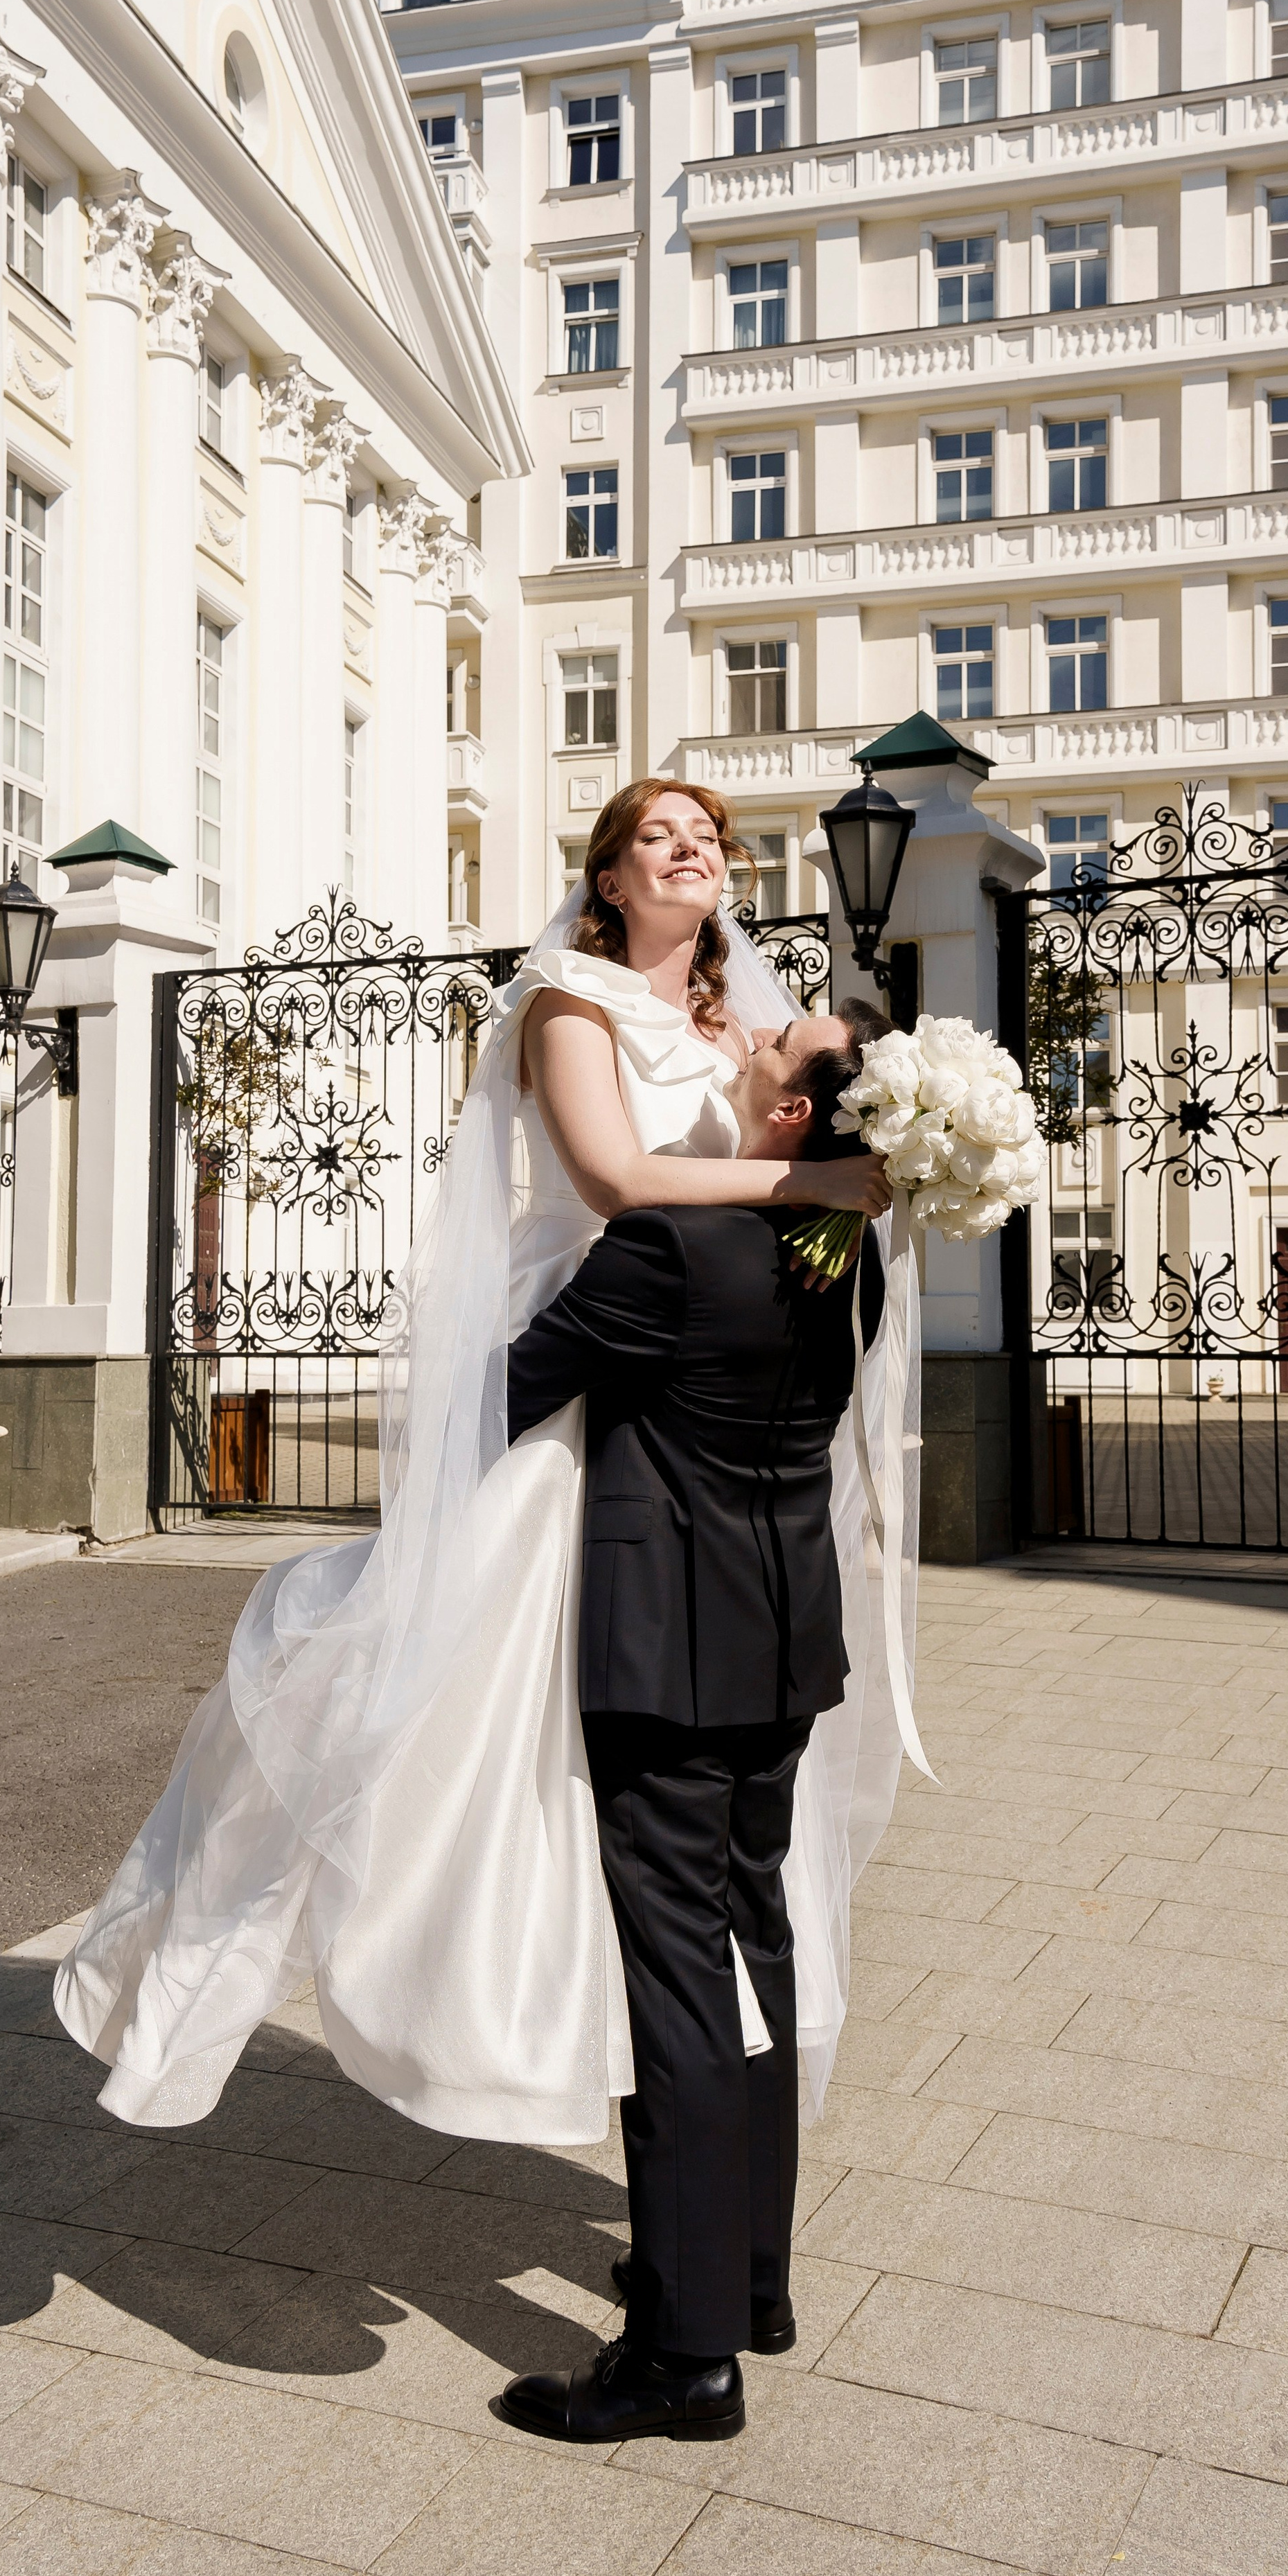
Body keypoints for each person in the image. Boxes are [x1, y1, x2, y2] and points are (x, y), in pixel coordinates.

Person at [55, 779, 919, 2302]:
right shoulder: (565, 1000)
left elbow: (746, 1164)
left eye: (708, 836)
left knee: (687, 1885)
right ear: (600, 875)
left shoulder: (745, 1027)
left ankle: (710, 2271)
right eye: (657, 834)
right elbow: (613, 1183)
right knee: (515, 1769)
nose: (692, 851)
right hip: (606, 1359)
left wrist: (813, 1181)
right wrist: (809, 1181)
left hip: (682, 1379)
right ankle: (717, 2248)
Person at [493, 1029, 885, 2446]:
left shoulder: (664, 1247)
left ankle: (682, 2358)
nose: (746, 1031)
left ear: (783, 1110)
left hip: (664, 1659)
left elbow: (505, 1396)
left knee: (676, 1989)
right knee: (755, 1949)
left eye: (776, 1043)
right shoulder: (850, 1252)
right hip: (783, 1644)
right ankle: (749, 2280)